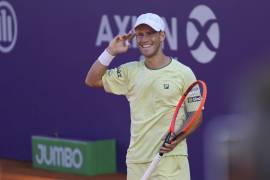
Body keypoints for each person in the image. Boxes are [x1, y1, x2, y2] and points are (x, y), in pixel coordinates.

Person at [85, 13, 202, 180]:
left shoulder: (184, 73)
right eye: (140, 34)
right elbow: (92, 80)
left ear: (162, 35)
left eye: (150, 33)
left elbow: (195, 116)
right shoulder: (129, 71)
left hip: (171, 162)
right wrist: (110, 51)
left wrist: (177, 138)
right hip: (136, 162)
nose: (144, 39)